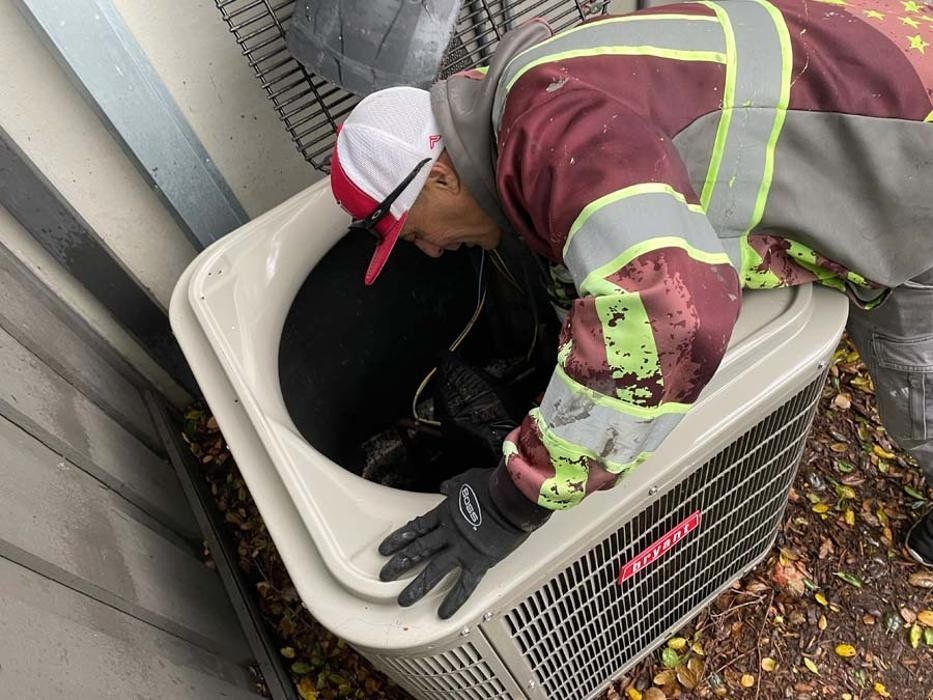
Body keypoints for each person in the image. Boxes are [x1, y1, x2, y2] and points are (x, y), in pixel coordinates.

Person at [329, 0, 933, 619]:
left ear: (440, 181)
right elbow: (600, 235)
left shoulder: (552, 137)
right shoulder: (521, 97)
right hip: (872, 44)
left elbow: (671, 319)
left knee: (921, 400)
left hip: (906, 141)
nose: (429, 251)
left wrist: (512, 503)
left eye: (411, 234)